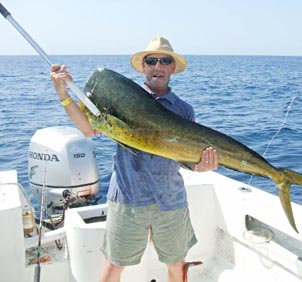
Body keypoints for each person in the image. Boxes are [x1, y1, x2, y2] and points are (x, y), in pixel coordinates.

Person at [50, 37, 219, 282]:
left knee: (177, 265)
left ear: (173, 68)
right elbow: (89, 129)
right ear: (143, 66)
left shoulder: (184, 110)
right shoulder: (121, 99)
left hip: (170, 199)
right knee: (113, 266)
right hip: (128, 198)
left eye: (165, 61)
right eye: (151, 60)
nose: (157, 66)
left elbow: (187, 158)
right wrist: (64, 94)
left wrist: (202, 166)